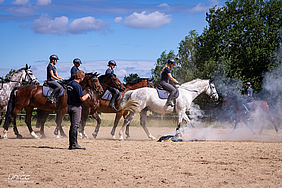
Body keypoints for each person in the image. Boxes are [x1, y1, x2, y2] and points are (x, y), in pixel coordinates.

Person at [67, 70, 90, 150]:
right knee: (75, 126)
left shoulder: (69, 84)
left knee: (72, 126)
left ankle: (71, 144)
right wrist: (87, 95)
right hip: (76, 107)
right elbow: (82, 98)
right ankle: (74, 144)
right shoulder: (77, 86)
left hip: (69, 106)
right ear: (81, 77)